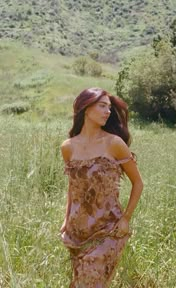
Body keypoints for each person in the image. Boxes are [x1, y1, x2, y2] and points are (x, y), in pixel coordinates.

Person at [60, 87, 143, 288]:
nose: (108, 111)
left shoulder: (114, 143)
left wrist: (126, 219)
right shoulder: (68, 147)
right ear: (86, 109)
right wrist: (65, 220)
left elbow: (138, 183)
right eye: (102, 106)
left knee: (89, 279)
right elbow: (73, 188)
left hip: (109, 228)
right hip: (78, 231)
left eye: (109, 107)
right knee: (83, 282)